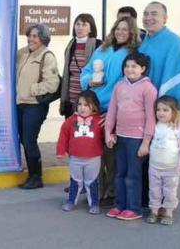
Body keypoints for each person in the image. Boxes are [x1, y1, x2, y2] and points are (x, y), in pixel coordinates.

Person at [81, 16, 140, 207]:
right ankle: (95, 190)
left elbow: (130, 84)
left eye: (125, 29)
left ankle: (111, 191)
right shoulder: (102, 49)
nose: (120, 32)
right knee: (93, 151)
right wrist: (89, 80)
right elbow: (86, 71)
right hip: (93, 106)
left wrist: (115, 112)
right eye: (117, 28)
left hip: (113, 109)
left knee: (111, 153)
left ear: (131, 33)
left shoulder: (132, 54)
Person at [139, 1, 180, 136]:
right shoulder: (144, 42)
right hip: (146, 108)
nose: (148, 18)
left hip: (168, 111)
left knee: (166, 152)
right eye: (145, 14)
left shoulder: (175, 43)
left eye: (154, 14)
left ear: (165, 19)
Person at [105, 52, 157, 221]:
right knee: (120, 173)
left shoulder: (148, 88)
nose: (130, 69)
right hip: (120, 136)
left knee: (133, 174)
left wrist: (146, 142)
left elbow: (151, 117)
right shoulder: (119, 86)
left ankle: (134, 208)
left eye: (134, 66)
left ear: (143, 68)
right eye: (127, 66)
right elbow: (112, 111)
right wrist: (108, 133)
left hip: (137, 139)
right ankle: (120, 205)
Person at [15, 24, 60, 189]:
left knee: (29, 140)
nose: (31, 39)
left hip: (34, 106)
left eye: (35, 36)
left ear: (43, 38)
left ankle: (36, 177)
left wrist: (33, 89)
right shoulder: (23, 53)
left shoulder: (47, 56)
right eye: (29, 36)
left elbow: (52, 84)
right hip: (20, 103)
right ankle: (32, 175)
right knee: (24, 140)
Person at [56, 90, 104, 214]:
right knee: (75, 181)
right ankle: (71, 201)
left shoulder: (99, 121)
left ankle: (94, 203)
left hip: (93, 158)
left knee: (92, 182)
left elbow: (106, 134)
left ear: (94, 107)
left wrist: (111, 138)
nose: (82, 108)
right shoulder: (70, 121)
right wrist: (61, 151)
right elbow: (63, 136)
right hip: (75, 158)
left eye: (87, 105)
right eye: (80, 104)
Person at [147, 95, 180, 226]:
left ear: (174, 112)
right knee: (154, 190)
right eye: (158, 109)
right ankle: (154, 210)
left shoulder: (179, 128)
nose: (161, 113)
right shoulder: (154, 126)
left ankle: (168, 211)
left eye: (165, 110)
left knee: (170, 191)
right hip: (154, 166)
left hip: (171, 168)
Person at [60, 14, 101, 117]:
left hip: (89, 99)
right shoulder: (71, 45)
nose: (80, 27)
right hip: (71, 99)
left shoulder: (98, 45)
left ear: (91, 28)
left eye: (84, 24)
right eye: (77, 24)